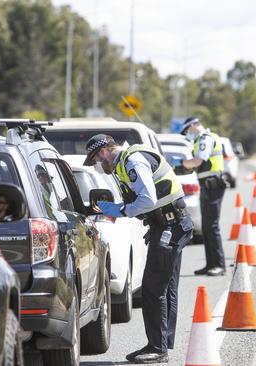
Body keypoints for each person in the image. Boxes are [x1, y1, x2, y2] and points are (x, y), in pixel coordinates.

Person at [83, 134, 193, 364]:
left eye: (95, 160)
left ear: (103, 152)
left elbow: (148, 200)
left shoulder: (133, 161)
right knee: (167, 286)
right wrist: (121, 209)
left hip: (171, 225)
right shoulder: (126, 163)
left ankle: (157, 347)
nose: (97, 165)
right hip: (169, 224)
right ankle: (162, 343)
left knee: (153, 288)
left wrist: (119, 210)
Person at [173, 117, 227, 276]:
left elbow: (198, 161)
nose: (187, 134)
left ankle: (219, 264)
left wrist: (182, 163)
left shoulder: (205, 139)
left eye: (187, 130)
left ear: (194, 126)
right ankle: (211, 264)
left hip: (213, 185)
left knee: (212, 226)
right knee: (206, 227)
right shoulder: (203, 140)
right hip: (208, 185)